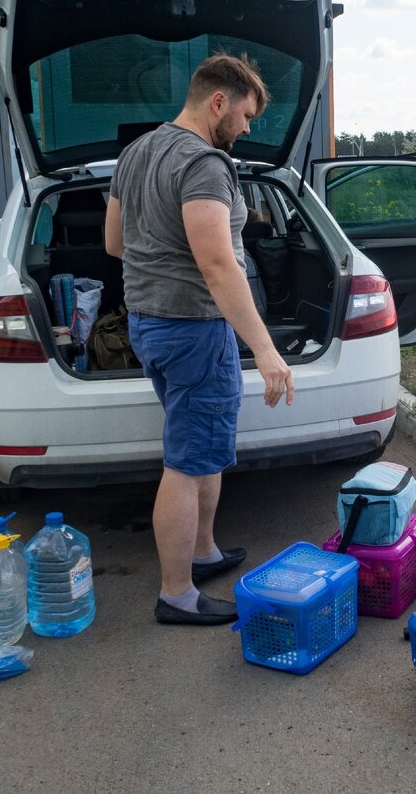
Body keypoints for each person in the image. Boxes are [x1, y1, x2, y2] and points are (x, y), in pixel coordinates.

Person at [105, 54, 294, 626]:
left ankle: (205, 552)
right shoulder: (205, 164)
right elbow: (217, 264)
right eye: (245, 114)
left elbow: (115, 243)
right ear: (218, 102)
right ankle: (177, 593)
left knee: (202, 443)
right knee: (186, 463)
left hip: (149, 321)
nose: (247, 127)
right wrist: (264, 349)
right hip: (193, 327)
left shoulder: (137, 153)